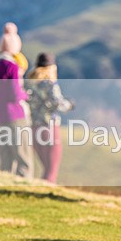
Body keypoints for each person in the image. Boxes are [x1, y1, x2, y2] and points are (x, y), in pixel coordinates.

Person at [0, 23, 33, 178]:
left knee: (5, 159)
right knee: (23, 157)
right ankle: (24, 189)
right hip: (16, 116)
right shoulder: (12, 67)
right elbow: (15, 94)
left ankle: (3, 186)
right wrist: (27, 95)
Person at [26, 52, 73, 183]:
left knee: (45, 167)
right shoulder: (49, 84)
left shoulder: (29, 83)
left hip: (33, 127)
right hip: (49, 126)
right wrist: (69, 105)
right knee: (52, 168)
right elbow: (57, 103)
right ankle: (45, 193)